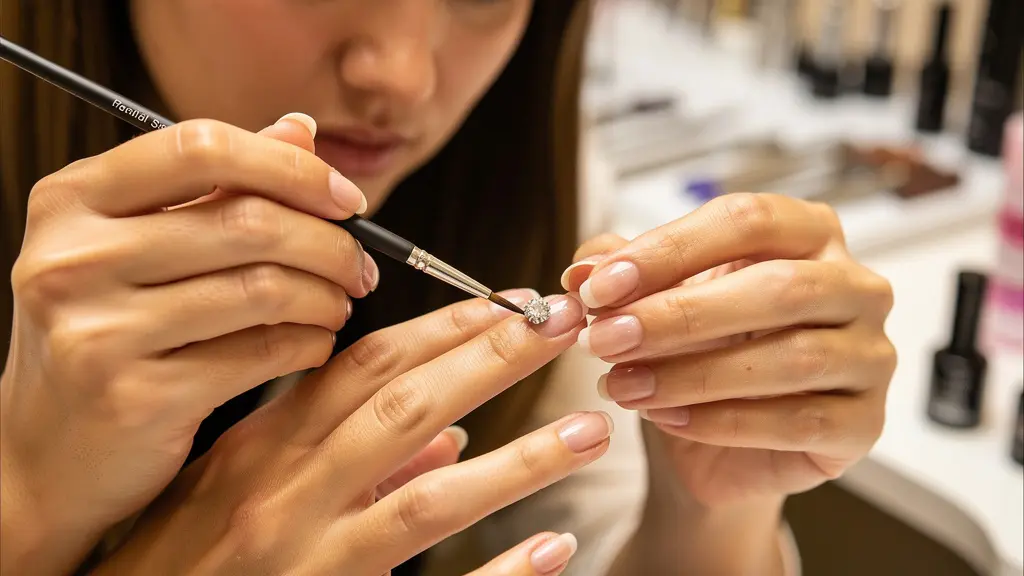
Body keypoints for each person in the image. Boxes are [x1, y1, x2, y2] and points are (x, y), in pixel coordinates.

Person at [0, 1, 897, 575]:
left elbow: (599, 532)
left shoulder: (519, 175)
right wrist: (28, 504)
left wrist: (706, 515)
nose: (404, 74)